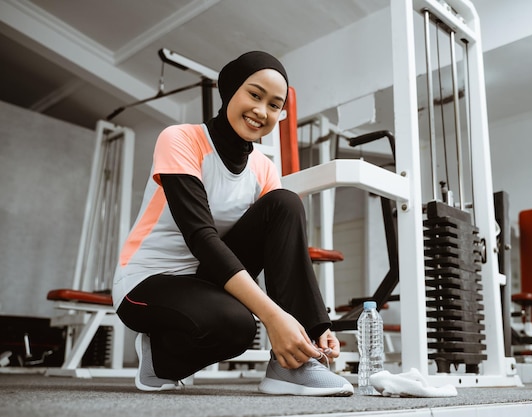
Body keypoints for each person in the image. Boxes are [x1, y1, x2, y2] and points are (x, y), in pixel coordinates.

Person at [112, 51, 353, 396]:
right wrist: (272, 317)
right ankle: (160, 358)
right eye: (254, 95)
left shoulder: (264, 168)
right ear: (230, 91)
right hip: (146, 281)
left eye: (274, 105)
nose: (261, 111)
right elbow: (201, 237)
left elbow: (282, 250)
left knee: (285, 204)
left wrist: (315, 325)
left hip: (205, 282)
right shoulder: (181, 139)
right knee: (237, 327)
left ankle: (289, 367)